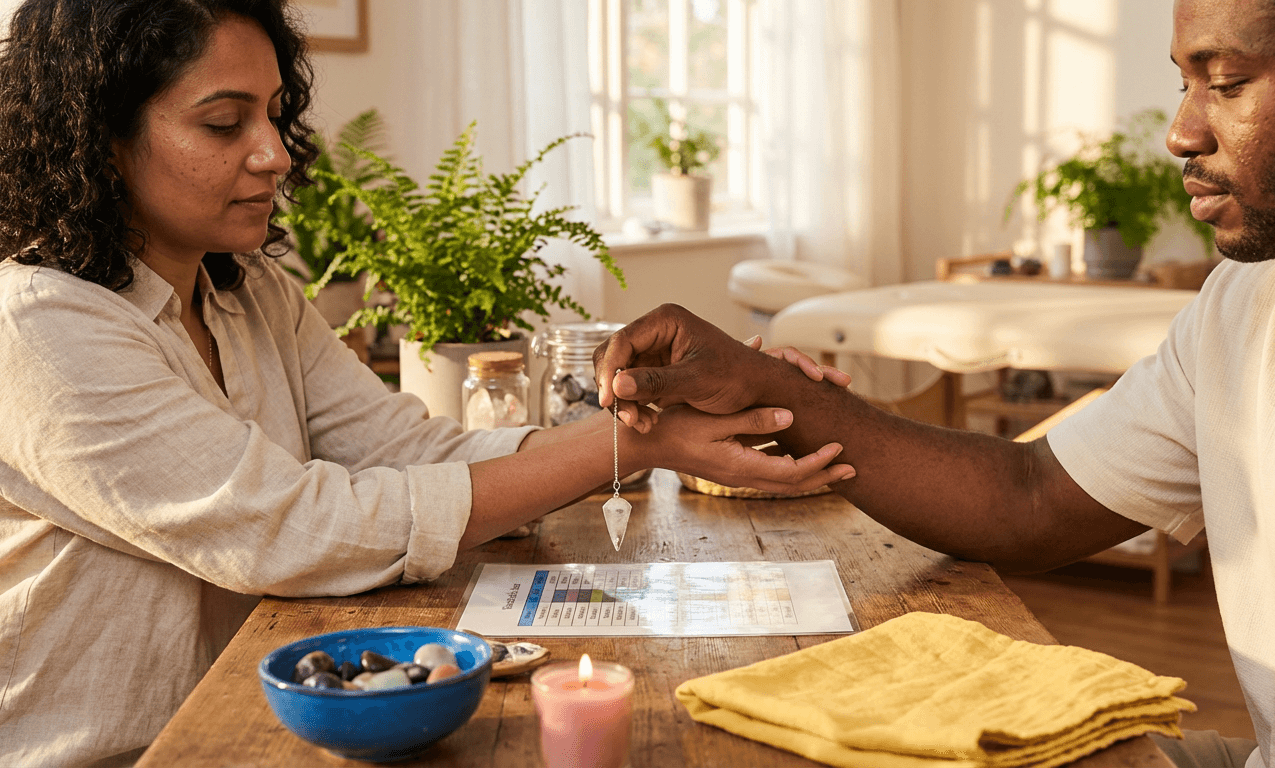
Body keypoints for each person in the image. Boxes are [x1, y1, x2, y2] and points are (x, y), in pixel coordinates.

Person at [0, 1, 855, 765]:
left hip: (254, 728)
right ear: (100, 139)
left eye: (273, 114)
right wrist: (631, 441)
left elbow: (421, 450)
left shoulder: (248, 293)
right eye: (224, 124)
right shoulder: (38, 328)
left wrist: (652, 405)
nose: (273, 155)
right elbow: (294, 529)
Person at [595, 1, 1275, 766]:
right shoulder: (1244, 307)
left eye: (1230, 83)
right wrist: (765, 382)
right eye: (1184, 82)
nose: (1182, 132)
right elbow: (1029, 496)